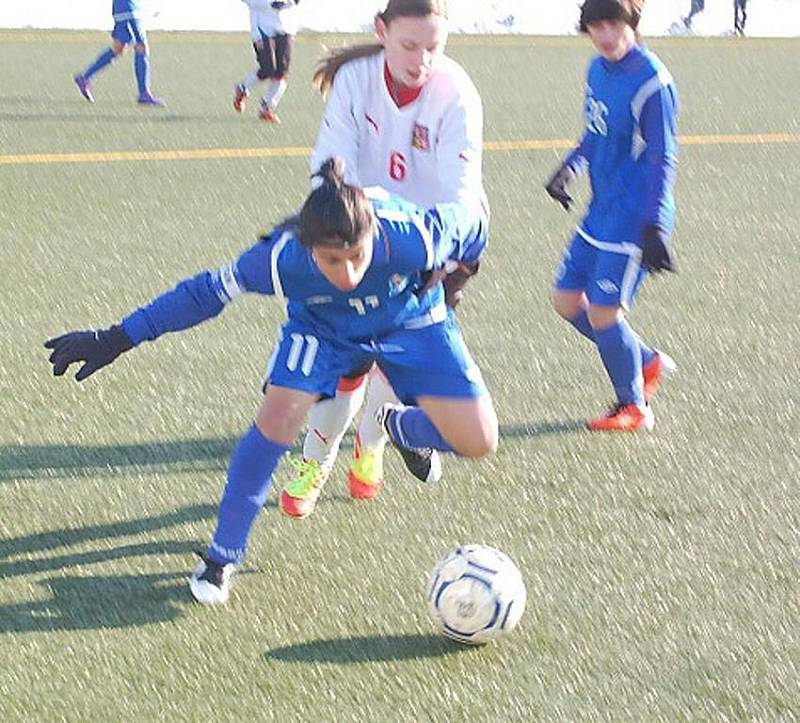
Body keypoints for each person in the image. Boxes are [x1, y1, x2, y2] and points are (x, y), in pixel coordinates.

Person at [44, 157, 496, 605]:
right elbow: (201, 295)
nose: (348, 273)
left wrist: (456, 280)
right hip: (323, 331)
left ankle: (399, 427)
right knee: (279, 415)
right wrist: (116, 338)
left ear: (374, 234)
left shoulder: (415, 234)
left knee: (480, 441)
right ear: (309, 247)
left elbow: (474, 224)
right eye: (331, 261)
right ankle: (222, 557)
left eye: (357, 256)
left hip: (411, 321)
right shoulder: (282, 257)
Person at [281, 0, 487, 520]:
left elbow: (459, 197)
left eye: (434, 48)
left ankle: (370, 448)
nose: (421, 59)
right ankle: (314, 461)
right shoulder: (356, 79)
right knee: (345, 362)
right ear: (381, 32)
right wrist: (336, 229)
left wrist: (428, 256)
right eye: (409, 46)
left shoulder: (456, 93)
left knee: (394, 358)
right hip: (359, 234)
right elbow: (331, 161)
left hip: (432, 244)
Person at [544, 0, 679, 432]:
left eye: (613, 24)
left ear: (632, 23)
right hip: (600, 210)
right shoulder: (597, 69)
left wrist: (655, 224)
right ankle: (644, 360)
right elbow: (594, 132)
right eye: (595, 26)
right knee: (566, 301)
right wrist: (569, 168)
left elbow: (663, 157)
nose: (604, 35)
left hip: (635, 217)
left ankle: (633, 405)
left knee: (604, 314)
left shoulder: (653, 82)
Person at [73, 0, 165, 106]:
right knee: (141, 47)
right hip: (130, 9)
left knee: (119, 48)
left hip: (122, 9)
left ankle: (85, 78)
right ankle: (144, 93)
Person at [233, 0, 301, 123]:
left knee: (281, 72)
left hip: (286, 26)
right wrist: (268, 3)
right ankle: (242, 88)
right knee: (268, 68)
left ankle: (267, 108)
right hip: (262, 27)